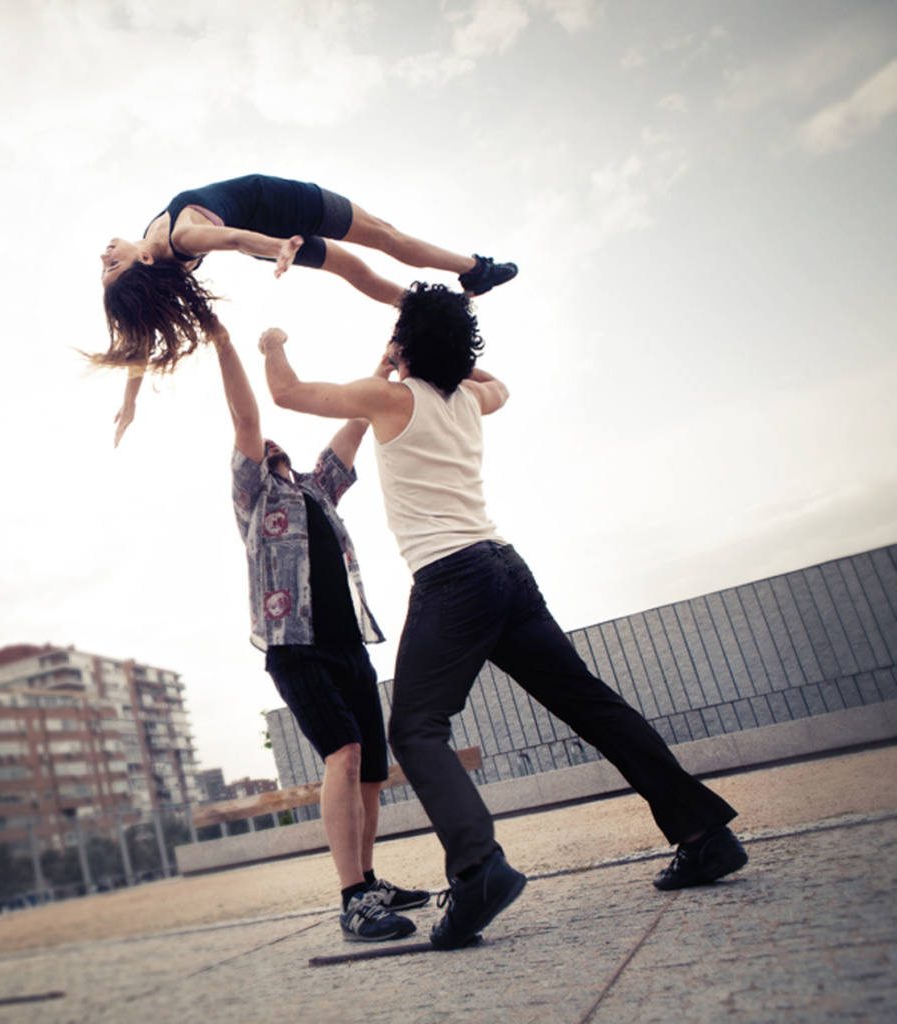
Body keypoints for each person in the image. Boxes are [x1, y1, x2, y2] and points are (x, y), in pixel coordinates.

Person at [256, 282, 749, 952]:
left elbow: (286, 394)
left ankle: (476, 868)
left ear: (407, 346)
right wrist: (439, 350)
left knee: (416, 730)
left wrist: (273, 343)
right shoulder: (471, 399)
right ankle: (703, 834)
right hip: (507, 570)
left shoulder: (393, 397)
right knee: (591, 704)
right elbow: (499, 384)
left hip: (453, 577)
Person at [207, 312, 428, 944]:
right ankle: (352, 898)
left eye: (277, 445)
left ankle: (371, 878)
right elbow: (246, 419)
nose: (269, 444)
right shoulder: (254, 497)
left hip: (347, 641)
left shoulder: (316, 491)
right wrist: (230, 344)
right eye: (264, 447)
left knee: (370, 773)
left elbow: (358, 422)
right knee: (344, 753)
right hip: (294, 646)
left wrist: (387, 362)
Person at [96, 173, 517, 445]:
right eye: (112, 264)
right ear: (146, 261)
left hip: (272, 236)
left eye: (106, 265)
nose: (105, 256)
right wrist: (277, 248)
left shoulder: (152, 248)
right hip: (285, 211)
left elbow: (139, 342)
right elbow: (235, 239)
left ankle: (450, 292)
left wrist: (130, 402)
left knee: (368, 258)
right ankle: (469, 276)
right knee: (379, 246)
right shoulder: (183, 238)